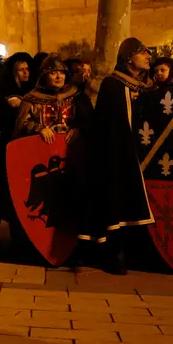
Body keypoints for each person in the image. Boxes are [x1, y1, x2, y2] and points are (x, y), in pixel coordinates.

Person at [80, 38, 154, 275]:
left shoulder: (141, 86)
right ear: (129, 57)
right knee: (115, 202)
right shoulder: (113, 85)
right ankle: (112, 255)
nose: (148, 57)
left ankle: (134, 253)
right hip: (116, 156)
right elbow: (109, 126)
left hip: (137, 155)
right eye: (143, 53)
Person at [13, 56, 92, 232]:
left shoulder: (77, 97)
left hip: (71, 161)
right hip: (42, 162)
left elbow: (90, 122)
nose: (59, 77)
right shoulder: (31, 99)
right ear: (43, 76)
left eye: (62, 73)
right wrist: (38, 128)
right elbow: (20, 127)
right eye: (53, 73)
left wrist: (79, 128)